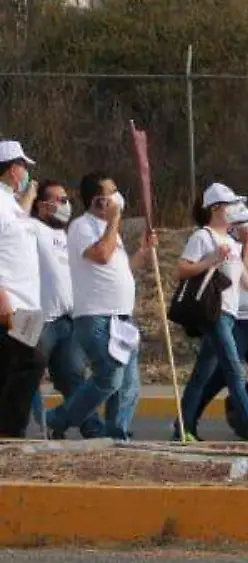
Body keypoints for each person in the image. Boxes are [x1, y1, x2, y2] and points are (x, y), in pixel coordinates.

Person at [175, 186, 248, 442]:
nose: (234, 210)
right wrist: (211, 260)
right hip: (213, 312)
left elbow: (246, 281)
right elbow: (182, 269)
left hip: (230, 314)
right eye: (229, 205)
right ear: (216, 208)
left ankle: (182, 428)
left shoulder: (230, 241)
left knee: (201, 376)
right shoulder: (203, 237)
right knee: (233, 370)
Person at [47, 171, 155, 441]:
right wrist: (115, 220)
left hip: (122, 318)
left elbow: (120, 269)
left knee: (128, 385)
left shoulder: (110, 232)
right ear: (97, 200)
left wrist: (143, 252)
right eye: (112, 191)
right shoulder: (81, 226)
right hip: (96, 318)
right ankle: (58, 418)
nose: (117, 197)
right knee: (109, 377)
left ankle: (117, 434)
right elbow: (102, 256)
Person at [27, 181, 102, 438]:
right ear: (42, 205)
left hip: (67, 320)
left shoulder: (66, 235)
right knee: (28, 377)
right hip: (36, 319)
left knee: (74, 377)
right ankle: (40, 425)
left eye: (66, 199)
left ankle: (90, 427)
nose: (65, 205)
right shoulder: (31, 229)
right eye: (59, 200)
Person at [0, 140, 46, 438]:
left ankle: (8, 434)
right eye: (23, 166)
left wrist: (28, 199)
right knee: (31, 362)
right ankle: (9, 433)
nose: (27, 173)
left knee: (9, 367)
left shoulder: (12, 205)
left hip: (27, 303)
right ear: (12, 168)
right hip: (9, 302)